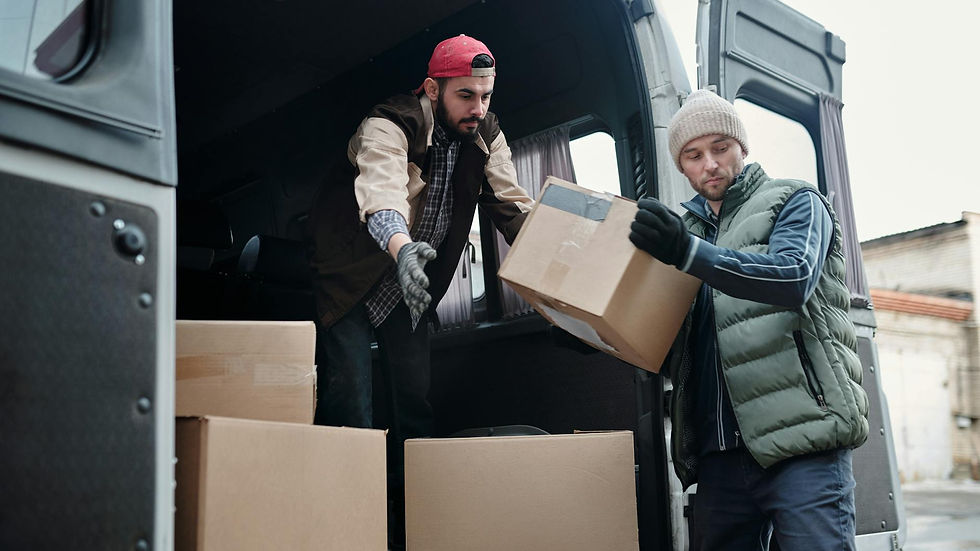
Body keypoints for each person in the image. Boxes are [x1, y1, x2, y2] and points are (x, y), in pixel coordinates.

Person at [307, 34, 533, 548]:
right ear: (433, 89)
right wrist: (402, 248)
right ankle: (353, 528)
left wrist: (567, 261)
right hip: (354, 269)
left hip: (411, 285)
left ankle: (416, 525)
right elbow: (381, 193)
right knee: (351, 404)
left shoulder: (486, 134)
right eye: (465, 95)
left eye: (486, 96)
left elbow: (513, 205)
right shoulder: (389, 123)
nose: (478, 108)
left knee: (414, 400)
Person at [629, 89, 869, 550]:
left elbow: (793, 277)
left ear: (742, 147)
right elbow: (667, 337)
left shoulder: (796, 200)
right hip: (719, 457)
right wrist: (593, 332)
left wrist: (689, 253)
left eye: (720, 148)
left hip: (803, 442)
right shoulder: (685, 233)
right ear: (682, 167)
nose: (710, 164)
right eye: (694, 156)